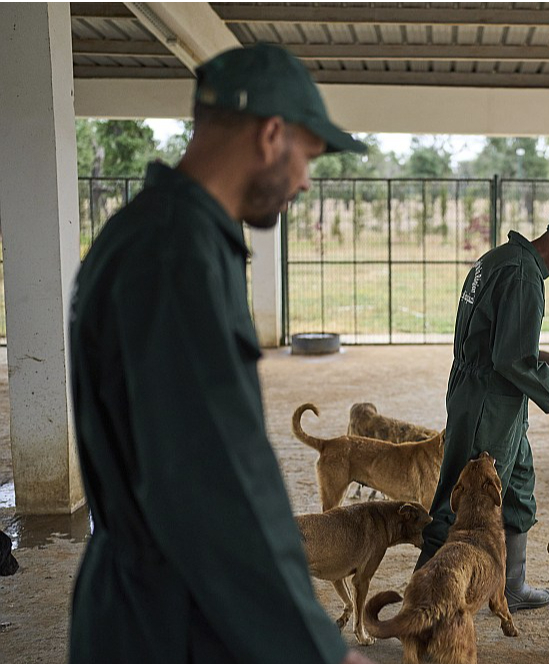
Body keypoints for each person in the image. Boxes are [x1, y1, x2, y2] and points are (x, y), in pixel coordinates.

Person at [67, 44, 373, 664]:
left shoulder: (161, 234)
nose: (307, 179)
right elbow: (214, 482)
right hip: (170, 618)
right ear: (270, 135)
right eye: (308, 156)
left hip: (152, 600)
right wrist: (318, 649)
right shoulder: (175, 255)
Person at [418, 210, 549, 611]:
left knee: (518, 482)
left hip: (488, 392)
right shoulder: (524, 278)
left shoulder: (500, 258)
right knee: (464, 498)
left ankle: (510, 586)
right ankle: (426, 602)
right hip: (489, 398)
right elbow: (514, 358)